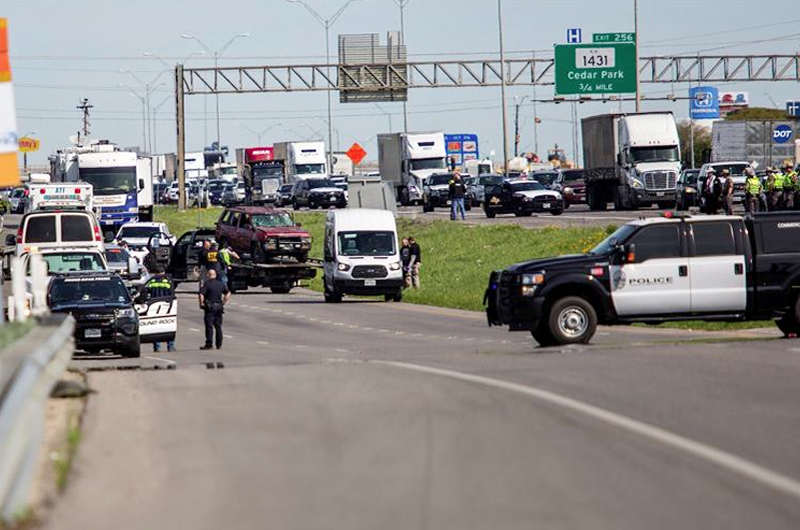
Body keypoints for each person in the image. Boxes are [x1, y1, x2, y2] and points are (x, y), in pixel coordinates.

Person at [145, 265, 176, 353]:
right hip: (166, 306)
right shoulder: (167, 282)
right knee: (168, 325)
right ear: (163, 273)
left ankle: (157, 347)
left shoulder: (152, 282)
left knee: (156, 326)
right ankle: (170, 346)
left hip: (154, 306)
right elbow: (172, 294)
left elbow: (147, 293)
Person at [198, 269, 230, 350]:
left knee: (209, 326)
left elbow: (201, 294)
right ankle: (219, 344)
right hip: (219, 307)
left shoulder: (207, 284)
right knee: (218, 326)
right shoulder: (220, 284)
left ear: (208, 275)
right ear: (215, 275)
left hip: (210, 307)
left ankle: (209, 344)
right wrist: (223, 302)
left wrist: (201, 303)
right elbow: (228, 293)